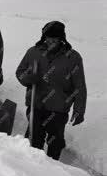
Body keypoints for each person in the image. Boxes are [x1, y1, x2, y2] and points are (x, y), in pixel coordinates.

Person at [15, 21, 86, 160]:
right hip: (36, 104)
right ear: (44, 37)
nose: (52, 41)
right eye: (48, 37)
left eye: (56, 38)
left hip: (59, 107)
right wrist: (29, 78)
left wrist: (79, 110)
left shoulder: (72, 57)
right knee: (33, 139)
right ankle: (33, 167)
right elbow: (20, 72)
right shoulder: (33, 52)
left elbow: (80, 86)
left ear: (62, 39)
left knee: (55, 142)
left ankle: (53, 169)